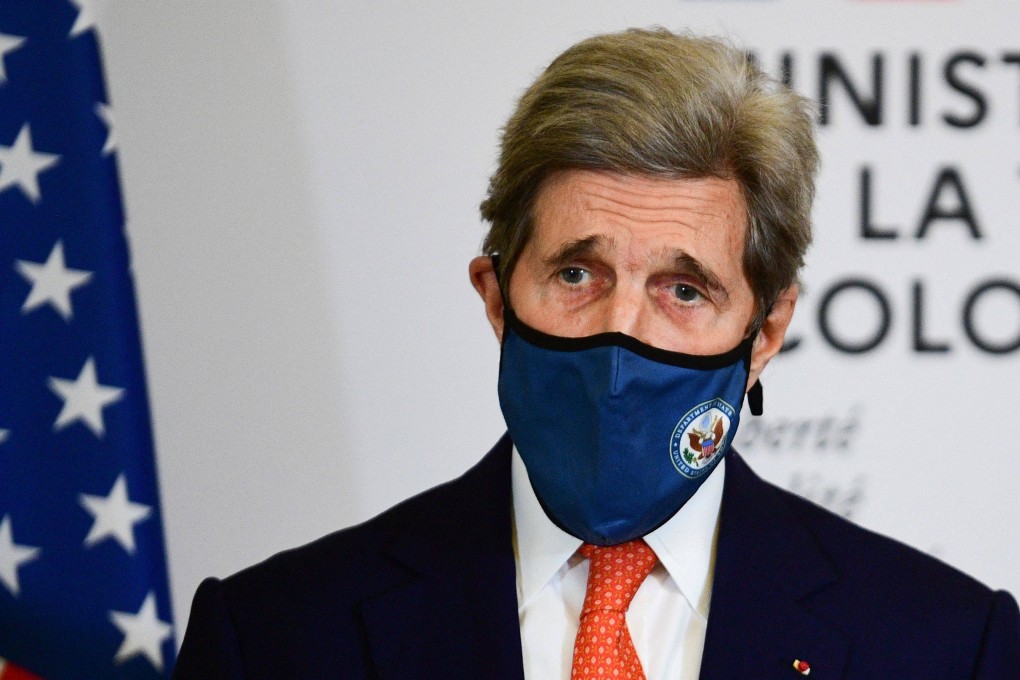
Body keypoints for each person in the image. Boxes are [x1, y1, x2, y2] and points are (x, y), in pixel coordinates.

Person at [173, 28, 1020, 679]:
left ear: (765, 332)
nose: (623, 334)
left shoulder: (947, 647)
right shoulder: (276, 637)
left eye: (683, 291)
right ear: (498, 297)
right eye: (577, 272)